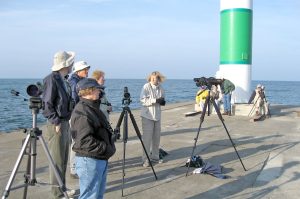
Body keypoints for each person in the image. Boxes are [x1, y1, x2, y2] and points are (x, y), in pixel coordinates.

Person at [70, 78, 116, 199]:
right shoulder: (82, 111)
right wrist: (106, 149)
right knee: (90, 196)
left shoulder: (92, 107)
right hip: (90, 161)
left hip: (98, 158)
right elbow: (84, 141)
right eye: (97, 90)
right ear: (88, 92)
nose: (99, 92)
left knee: (97, 195)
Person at [42, 51, 76, 199]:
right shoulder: (51, 79)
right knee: (57, 159)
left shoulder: (63, 79)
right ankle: (57, 193)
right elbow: (47, 104)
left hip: (64, 121)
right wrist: (55, 121)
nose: (73, 64)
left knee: (63, 157)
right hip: (57, 123)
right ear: (66, 64)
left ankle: (62, 188)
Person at [68, 61, 90, 179]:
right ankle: (73, 169)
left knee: (78, 140)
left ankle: (77, 166)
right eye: (85, 69)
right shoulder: (74, 83)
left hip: (78, 114)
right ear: (78, 71)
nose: (87, 71)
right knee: (75, 141)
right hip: (76, 115)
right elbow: (75, 100)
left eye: (87, 69)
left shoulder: (77, 81)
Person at [140, 71, 166, 167]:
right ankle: (145, 159)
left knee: (156, 138)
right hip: (147, 116)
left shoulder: (161, 88)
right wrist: (155, 100)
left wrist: (162, 101)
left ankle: (155, 157)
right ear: (150, 79)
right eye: (153, 79)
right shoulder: (146, 87)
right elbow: (142, 100)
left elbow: (163, 98)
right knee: (147, 139)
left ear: (159, 79)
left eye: (156, 78)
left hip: (157, 116)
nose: (155, 80)